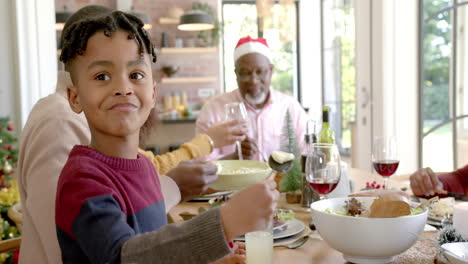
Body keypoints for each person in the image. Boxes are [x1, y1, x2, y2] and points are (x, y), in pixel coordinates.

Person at [17, 6, 247, 264]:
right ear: (74, 96)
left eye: (135, 75)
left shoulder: (145, 168)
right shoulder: (82, 181)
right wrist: (224, 223)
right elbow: (123, 256)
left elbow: (156, 250)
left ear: (153, 94)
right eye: (102, 76)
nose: (123, 88)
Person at [196, 36, 308, 162]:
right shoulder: (213, 109)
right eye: (245, 73)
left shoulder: (290, 107)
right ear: (236, 74)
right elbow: (201, 165)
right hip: (233, 182)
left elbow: (306, 153)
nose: (253, 81)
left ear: (271, 71)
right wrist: (234, 157)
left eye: (260, 72)